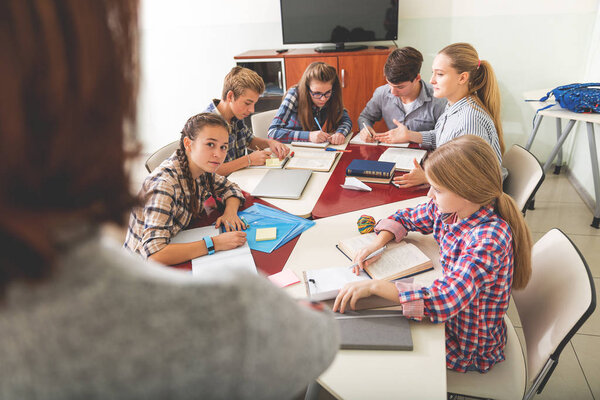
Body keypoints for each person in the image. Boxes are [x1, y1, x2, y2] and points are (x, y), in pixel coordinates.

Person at [0, 1, 339, 399]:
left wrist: (230, 207)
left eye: (222, 147)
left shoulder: (204, 165)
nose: (218, 153)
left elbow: (224, 184)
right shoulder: (168, 189)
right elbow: (320, 338)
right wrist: (218, 246)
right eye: (211, 147)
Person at [333, 135, 532, 373]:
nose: (429, 195)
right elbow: (404, 216)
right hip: (452, 320)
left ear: (466, 191)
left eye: (436, 189)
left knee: (371, 354)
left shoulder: (489, 240)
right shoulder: (452, 209)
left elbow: (444, 299)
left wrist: (375, 287)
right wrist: (378, 242)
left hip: (467, 345)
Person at [124, 113, 248, 266]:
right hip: (140, 268)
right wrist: (214, 243)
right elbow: (155, 255)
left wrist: (230, 212)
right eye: (210, 144)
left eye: (223, 147)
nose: (218, 154)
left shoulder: (201, 169)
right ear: (188, 144)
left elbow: (232, 188)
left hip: (178, 239)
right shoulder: (164, 185)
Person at [379, 43, 505, 188]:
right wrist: (409, 135)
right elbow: (443, 138)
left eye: (439, 74)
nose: (432, 80)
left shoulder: (470, 120)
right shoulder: (454, 106)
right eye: (433, 73)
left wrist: (428, 177)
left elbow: (473, 178)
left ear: (462, 78)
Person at [203, 66, 290, 176]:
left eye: (254, 104)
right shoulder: (207, 125)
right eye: (247, 103)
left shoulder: (236, 116)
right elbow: (212, 171)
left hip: (239, 179)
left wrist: (270, 143)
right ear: (230, 96)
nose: (252, 110)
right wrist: (249, 160)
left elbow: (249, 141)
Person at [357, 46, 446, 142]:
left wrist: (410, 136)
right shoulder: (382, 93)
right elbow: (365, 117)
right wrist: (365, 129)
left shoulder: (438, 99)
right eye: (389, 84)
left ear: (417, 78)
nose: (392, 92)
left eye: (400, 87)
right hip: (392, 152)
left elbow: (445, 136)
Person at [268, 62, 352, 144]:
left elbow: (345, 120)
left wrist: (340, 133)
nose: (323, 99)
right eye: (317, 93)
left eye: (327, 92)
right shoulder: (294, 94)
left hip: (312, 147)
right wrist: (308, 136)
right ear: (307, 89)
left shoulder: (331, 95)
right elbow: (273, 133)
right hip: (289, 147)